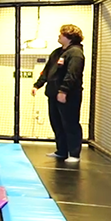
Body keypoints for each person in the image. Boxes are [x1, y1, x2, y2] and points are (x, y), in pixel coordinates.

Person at [32, 24, 86, 163]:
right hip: (53, 94)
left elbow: (72, 74)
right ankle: (61, 151)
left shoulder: (75, 53)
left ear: (69, 37)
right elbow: (47, 71)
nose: (59, 36)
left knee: (70, 123)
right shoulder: (57, 52)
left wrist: (63, 91)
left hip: (68, 96)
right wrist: (37, 85)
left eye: (61, 34)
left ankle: (74, 154)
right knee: (56, 123)